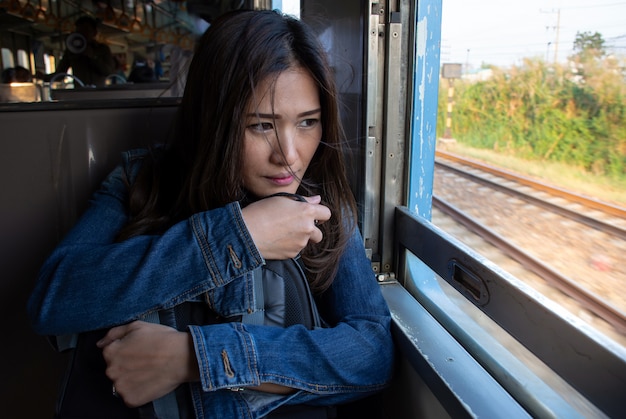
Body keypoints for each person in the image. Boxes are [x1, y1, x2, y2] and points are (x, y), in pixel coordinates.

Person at [27, 9, 394, 418]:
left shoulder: (324, 202)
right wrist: (240, 236)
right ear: (213, 121)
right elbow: (54, 299)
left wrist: (194, 358)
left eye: (307, 122)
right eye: (261, 126)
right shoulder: (142, 181)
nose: (289, 156)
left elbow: (371, 354)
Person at [43, 16, 115, 87]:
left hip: (99, 93)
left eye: (86, 30)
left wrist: (93, 57)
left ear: (94, 33)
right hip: (80, 93)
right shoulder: (71, 50)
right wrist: (43, 77)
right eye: (79, 31)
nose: (83, 34)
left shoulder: (102, 49)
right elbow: (60, 74)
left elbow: (108, 72)